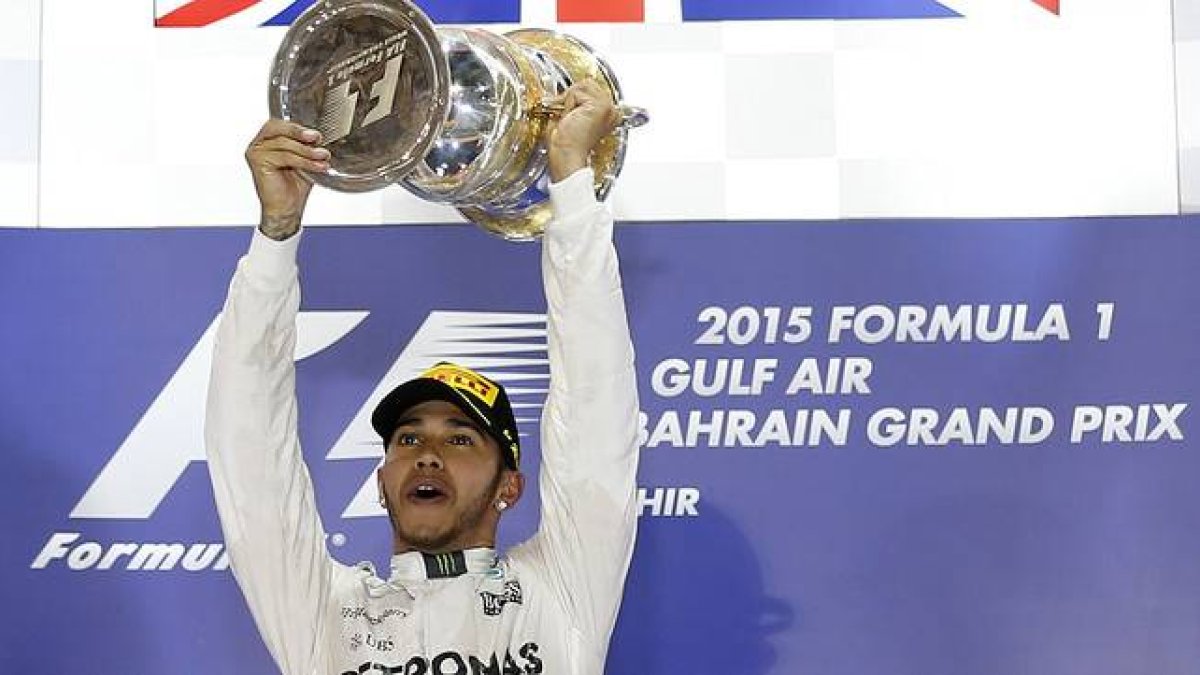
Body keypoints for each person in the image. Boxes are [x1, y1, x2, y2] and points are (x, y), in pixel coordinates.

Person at [205, 80, 641, 675]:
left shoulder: (559, 591)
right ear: (382, 484)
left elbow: (595, 402)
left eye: (460, 438)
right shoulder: (325, 614)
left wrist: (568, 179)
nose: (427, 456)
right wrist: (277, 234)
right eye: (407, 439)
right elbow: (250, 454)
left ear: (508, 487)